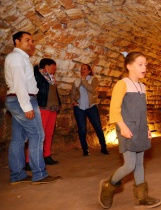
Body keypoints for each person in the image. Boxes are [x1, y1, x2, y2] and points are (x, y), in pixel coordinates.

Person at [99, 52, 161, 209]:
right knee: (130, 165)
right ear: (129, 66)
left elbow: (143, 111)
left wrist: (147, 129)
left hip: (140, 129)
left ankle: (142, 198)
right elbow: (114, 109)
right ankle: (108, 185)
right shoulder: (122, 84)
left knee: (140, 164)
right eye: (140, 64)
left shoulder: (143, 87)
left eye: (146, 64)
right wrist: (123, 127)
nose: (144, 68)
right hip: (126, 129)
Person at [5, 31, 62, 185]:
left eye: (32, 40)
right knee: (37, 135)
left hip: (17, 99)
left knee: (18, 139)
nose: (31, 43)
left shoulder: (21, 58)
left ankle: (17, 175)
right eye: (27, 40)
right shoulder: (17, 58)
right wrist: (26, 106)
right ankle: (40, 174)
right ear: (17, 41)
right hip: (22, 99)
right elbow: (19, 84)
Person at [70, 64, 109, 156]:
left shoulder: (93, 79)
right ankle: (85, 149)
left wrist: (84, 80)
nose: (82, 70)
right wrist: (73, 101)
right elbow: (72, 93)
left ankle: (104, 148)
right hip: (79, 108)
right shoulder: (76, 81)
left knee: (98, 128)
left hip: (91, 107)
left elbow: (92, 90)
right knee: (82, 129)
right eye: (81, 69)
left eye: (84, 69)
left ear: (89, 71)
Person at [34, 58, 61, 165]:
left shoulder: (51, 78)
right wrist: (36, 68)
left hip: (53, 108)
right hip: (43, 108)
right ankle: (30, 159)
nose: (55, 68)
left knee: (49, 133)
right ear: (47, 66)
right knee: (39, 134)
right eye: (53, 66)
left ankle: (47, 155)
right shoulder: (39, 77)